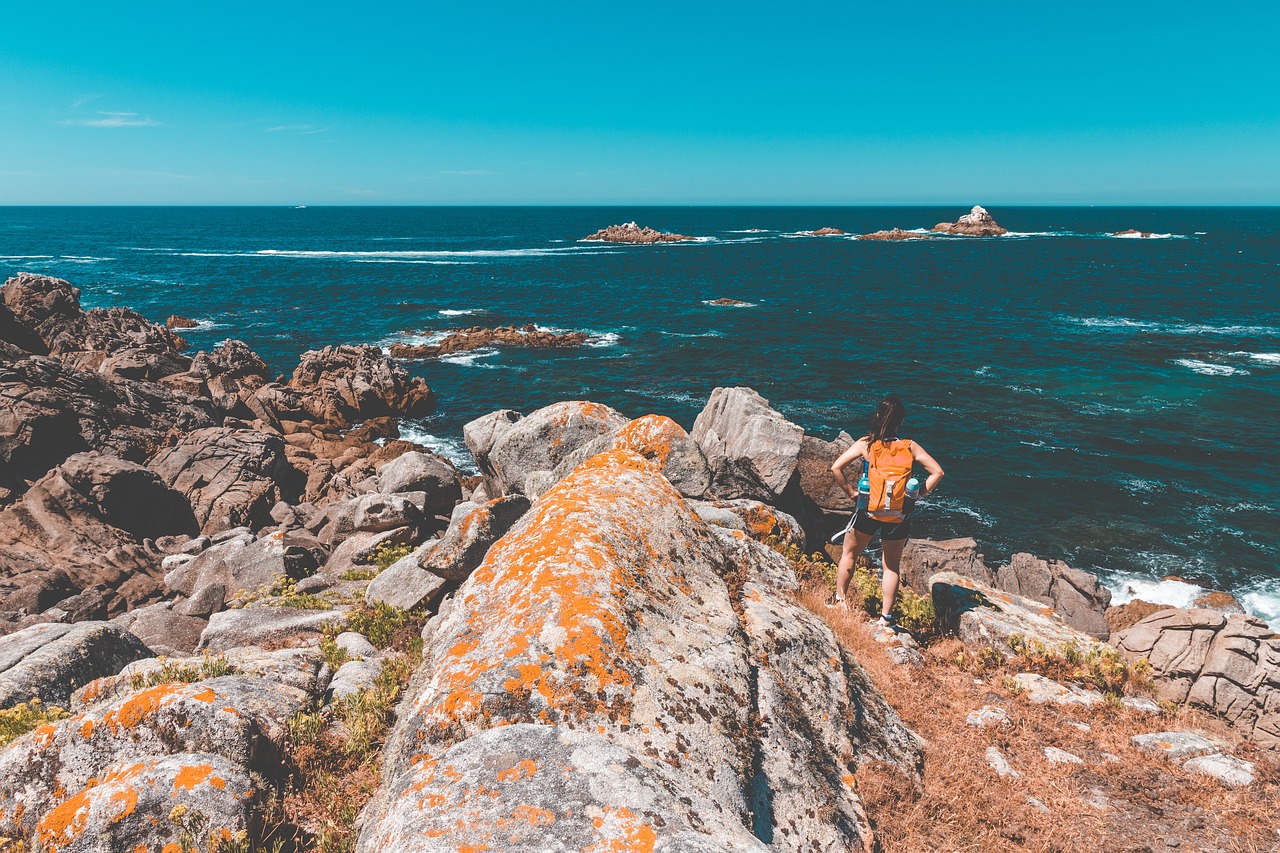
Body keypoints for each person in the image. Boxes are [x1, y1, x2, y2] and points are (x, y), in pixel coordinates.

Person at [829, 396, 945, 626]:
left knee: (849, 554)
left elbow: (836, 467)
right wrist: (919, 494)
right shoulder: (909, 446)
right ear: (900, 422)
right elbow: (938, 472)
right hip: (899, 514)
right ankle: (886, 618)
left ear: (878, 417)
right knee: (891, 566)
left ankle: (839, 601)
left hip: (868, 511)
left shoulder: (866, 444)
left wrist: (851, 492)